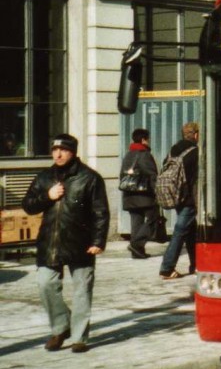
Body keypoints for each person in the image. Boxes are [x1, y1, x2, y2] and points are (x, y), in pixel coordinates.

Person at [22, 134, 109, 353]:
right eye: (54, 150)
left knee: (82, 289)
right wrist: (47, 196)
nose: (58, 154)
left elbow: (100, 212)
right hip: (51, 241)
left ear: (73, 152)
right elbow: (28, 205)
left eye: (63, 150)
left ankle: (79, 337)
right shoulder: (45, 177)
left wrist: (98, 240)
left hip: (81, 242)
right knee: (45, 284)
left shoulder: (90, 178)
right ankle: (61, 327)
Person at [160, 122, 200, 280]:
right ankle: (167, 268)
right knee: (180, 231)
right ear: (196, 135)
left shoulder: (174, 149)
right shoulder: (196, 152)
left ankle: (195, 264)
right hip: (189, 199)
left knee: (190, 230)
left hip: (175, 195)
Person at [120, 127, 159, 259]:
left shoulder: (128, 154)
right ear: (143, 140)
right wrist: (157, 192)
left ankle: (137, 251)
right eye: (148, 139)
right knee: (153, 219)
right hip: (144, 195)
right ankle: (137, 244)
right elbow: (152, 175)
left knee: (136, 222)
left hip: (129, 194)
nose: (149, 142)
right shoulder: (144, 154)